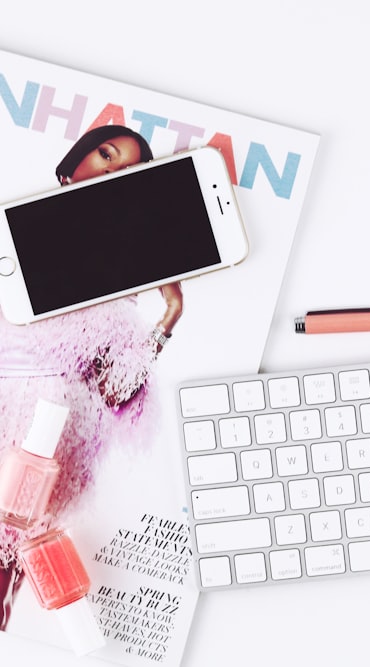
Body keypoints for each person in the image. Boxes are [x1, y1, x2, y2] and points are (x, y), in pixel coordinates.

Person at [0, 125, 182, 629]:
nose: (113, 170)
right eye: (106, 154)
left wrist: (169, 312)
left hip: (33, 470)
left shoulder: (115, 287)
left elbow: (115, 391)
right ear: (69, 169)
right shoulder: (13, 234)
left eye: (129, 171)